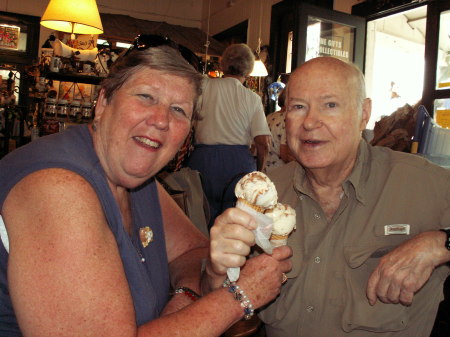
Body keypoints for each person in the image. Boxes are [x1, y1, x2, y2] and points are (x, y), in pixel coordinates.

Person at [0, 34, 292, 337]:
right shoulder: (56, 188)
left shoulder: (137, 180)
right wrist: (240, 297)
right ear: (103, 103)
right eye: (145, 97)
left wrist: (185, 298)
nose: (161, 120)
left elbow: (193, 251)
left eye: (179, 110)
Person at [211, 56, 450, 337]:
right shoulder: (264, 194)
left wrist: (440, 242)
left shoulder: (423, 182)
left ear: (364, 112)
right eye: (299, 106)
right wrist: (216, 272)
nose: (311, 122)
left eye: (330, 105)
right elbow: (220, 296)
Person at [187, 43, 271, 228]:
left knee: (200, 218)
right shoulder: (252, 98)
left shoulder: (203, 85)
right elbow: (263, 142)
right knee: (235, 223)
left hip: (203, 160)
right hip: (238, 163)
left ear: (223, 65)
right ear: (248, 70)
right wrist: (259, 170)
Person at [264, 88, 294, 172]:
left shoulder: (270, 116)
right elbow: (284, 154)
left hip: (266, 169)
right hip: (280, 171)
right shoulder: (287, 119)